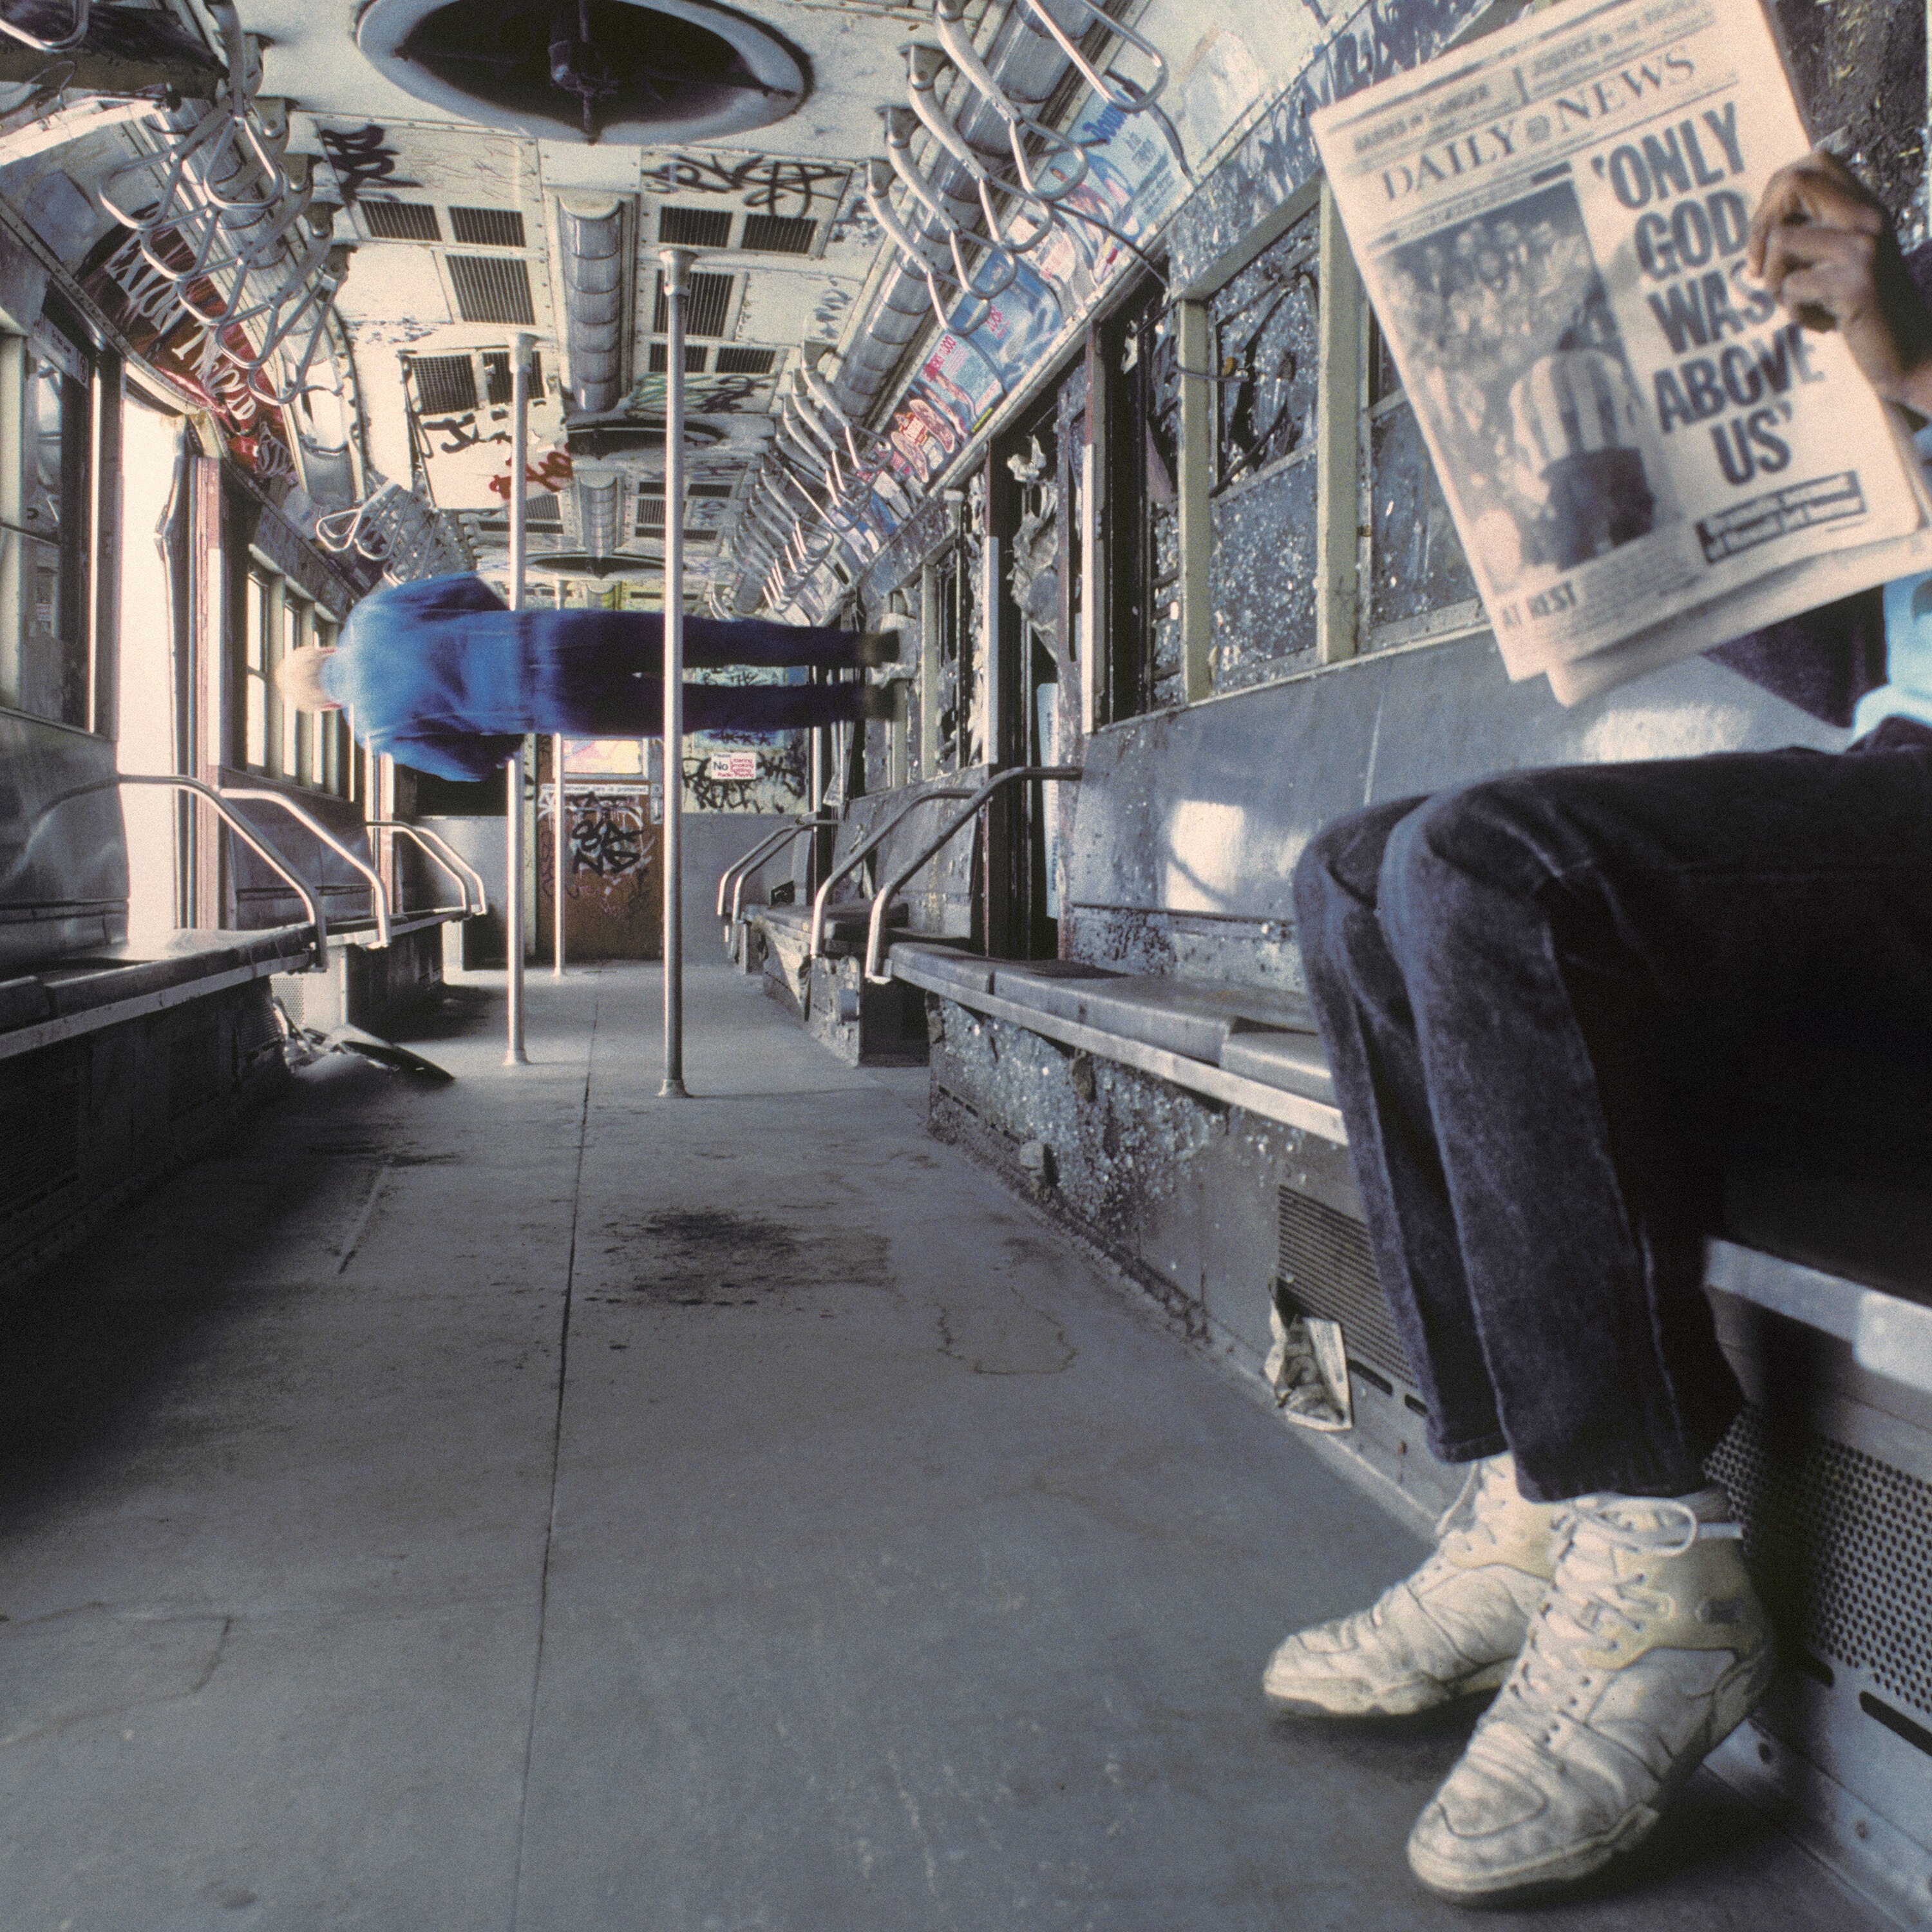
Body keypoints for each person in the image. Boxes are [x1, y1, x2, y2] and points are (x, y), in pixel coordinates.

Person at [1265, 151, 1932, 1904]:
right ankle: (1533, 1495)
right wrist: (1625, 542)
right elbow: (1876, 639)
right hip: (1896, 780)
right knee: (1352, 879)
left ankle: (1656, 1563)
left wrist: (1919, 367)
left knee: (1499, 875)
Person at [273, 572, 907, 783]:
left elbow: (469, 769)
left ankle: (864, 702)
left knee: (713, 708)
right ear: (322, 646)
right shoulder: (371, 615)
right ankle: (863, 645)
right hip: (554, 634)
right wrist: (514, 634)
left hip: (555, 707)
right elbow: (468, 587)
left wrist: (513, 727)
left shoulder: (377, 732)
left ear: (327, 709)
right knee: (714, 640)